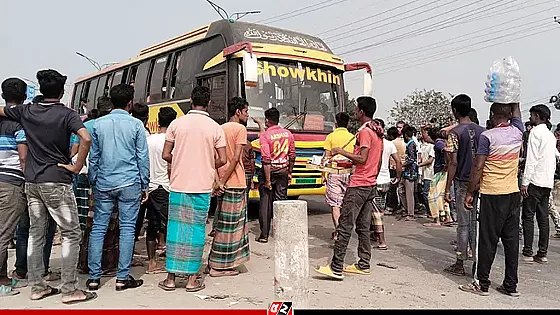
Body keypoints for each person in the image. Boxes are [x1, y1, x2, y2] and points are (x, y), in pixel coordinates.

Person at [0, 69, 94, 304]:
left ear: (41, 90)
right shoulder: (67, 114)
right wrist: (76, 165)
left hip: (32, 182)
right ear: (62, 91)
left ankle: (38, 286)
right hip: (57, 181)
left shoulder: (26, 111)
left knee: (36, 233)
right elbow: (86, 138)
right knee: (71, 233)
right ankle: (70, 289)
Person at [158, 86, 226, 292]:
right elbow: (223, 159)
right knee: (196, 231)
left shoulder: (176, 125)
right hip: (202, 185)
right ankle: (191, 279)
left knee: (176, 231)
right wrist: (204, 162)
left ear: (190, 100)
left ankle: (170, 278)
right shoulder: (215, 127)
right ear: (209, 103)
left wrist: (181, 160)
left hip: (179, 184)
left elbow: (165, 154)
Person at [87, 84, 149, 292]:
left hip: (103, 182)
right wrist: (145, 183)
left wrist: (93, 181)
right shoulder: (137, 126)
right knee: (128, 229)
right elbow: (142, 157)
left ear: (111, 102)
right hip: (130, 182)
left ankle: (94, 277)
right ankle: (122, 278)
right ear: (130, 103)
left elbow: (94, 157)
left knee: (98, 228)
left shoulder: (97, 125)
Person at [315, 96, 383, 280]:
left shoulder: (365, 132)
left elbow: (362, 158)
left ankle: (336, 267)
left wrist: (340, 151)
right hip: (369, 184)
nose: (355, 112)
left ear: (361, 112)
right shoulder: (377, 131)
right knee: (362, 227)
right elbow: (375, 161)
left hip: (359, 185)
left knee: (344, 225)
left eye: (357, 109)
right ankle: (363, 263)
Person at [460, 103, 523, 297]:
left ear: (492, 115)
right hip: (512, 193)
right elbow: (518, 114)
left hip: (492, 193)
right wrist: (514, 98)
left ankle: (482, 283)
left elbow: (478, 167)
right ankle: (510, 285)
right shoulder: (518, 131)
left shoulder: (487, 136)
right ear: (510, 114)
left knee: (487, 240)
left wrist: (470, 192)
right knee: (511, 242)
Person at [73, 99, 118, 276]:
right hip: (113, 180)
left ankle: (86, 264)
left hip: (94, 179)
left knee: (91, 224)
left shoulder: (87, 125)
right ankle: (107, 264)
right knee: (111, 225)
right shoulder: (114, 125)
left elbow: (80, 152)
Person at [208, 97, 251, 277]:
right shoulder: (240, 129)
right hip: (235, 182)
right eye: (246, 111)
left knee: (223, 225)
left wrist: (218, 180)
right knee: (233, 228)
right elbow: (235, 158)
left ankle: (214, 262)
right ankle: (220, 266)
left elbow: (215, 158)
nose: (248, 115)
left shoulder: (219, 128)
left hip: (222, 182)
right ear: (238, 111)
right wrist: (224, 180)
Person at [443, 94, 484, 277]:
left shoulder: (454, 133)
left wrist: (446, 188)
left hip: (461, 182)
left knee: (463, 224)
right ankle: (476, 262)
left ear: (455, 111)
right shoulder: (482, 131)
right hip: (480, 182)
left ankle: (460, 263)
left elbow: (452, 162)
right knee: (475, 224)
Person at [0, 78, 28, 297]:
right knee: (5, 233)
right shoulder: (21, 123)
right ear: (25, 96)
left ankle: (4, 279)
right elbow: (23, 158)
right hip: (11, 182)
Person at [521, 104, 556, 264]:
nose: (530, 118)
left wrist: (525, 182)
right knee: (543, 217)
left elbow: (532, 159)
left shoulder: (535, 133)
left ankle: (527, 251)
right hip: (547, 181)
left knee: (528, 216)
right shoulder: (550, 136)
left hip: (535, 180)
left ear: (537, 116)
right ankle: (542, 253)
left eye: (532, 115)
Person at [145, 107, 177, 274]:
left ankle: (151, 262)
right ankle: (171, 261)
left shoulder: (149, 140)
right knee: (171, 224)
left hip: (150, 187)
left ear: (158, 121)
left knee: (152, 225)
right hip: (167, 187)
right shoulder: (172, 141)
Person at [256, 107, 296, 243]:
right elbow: (292, 156)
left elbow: (266, 159)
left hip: (270, 172)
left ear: (267, 121)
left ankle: (264, 235)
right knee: (280, 203)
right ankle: (281, 233)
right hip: (283, 172)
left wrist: (267, 180)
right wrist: (289, 172)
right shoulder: (288, 134)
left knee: (265, 203)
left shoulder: (265, 136)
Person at [323, 112, 356, 241]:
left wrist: (323, 174)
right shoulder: (353, 137)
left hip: (334, 172)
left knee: (335, 204)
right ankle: (342, 230)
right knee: (345, 203)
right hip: (348, 172)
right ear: (347, 123)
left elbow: (326, 157)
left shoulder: (330, 137)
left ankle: (338, 231)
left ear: (336, 123)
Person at [371, 118, 401, 249]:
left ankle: (382, 240)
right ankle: (375, 234)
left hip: (375, 180)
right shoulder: (390, 144)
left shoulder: (374, 143)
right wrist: (398, 178)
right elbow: (398, 162)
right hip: (386, 181)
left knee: (376, 213)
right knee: (379, 209)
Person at [425, 128, 451, 227]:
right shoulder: (442, 142)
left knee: (432, 196)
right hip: (443, 171)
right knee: (441, 195)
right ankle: (446, 216)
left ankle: (436, 219)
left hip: (440, 172)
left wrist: (447, 163)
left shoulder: (438, 144)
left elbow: (446, 151)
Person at [402, 125, 418, 221]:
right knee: (406, 192)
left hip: (410, 172)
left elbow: (412, 159)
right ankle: (408, 211)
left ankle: (411, 213)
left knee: (409, 193)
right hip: (410, 171)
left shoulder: (411, 144)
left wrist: (403, 164)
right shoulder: (411, 144)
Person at [418, 127, 435, 217]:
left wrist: (419, 165)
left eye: (424, 133)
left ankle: (432, 212)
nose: (422, 135)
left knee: (427, 194)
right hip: (425, 173)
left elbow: (430, 160)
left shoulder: (432, 147)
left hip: (430, 174)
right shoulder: (423, 146)